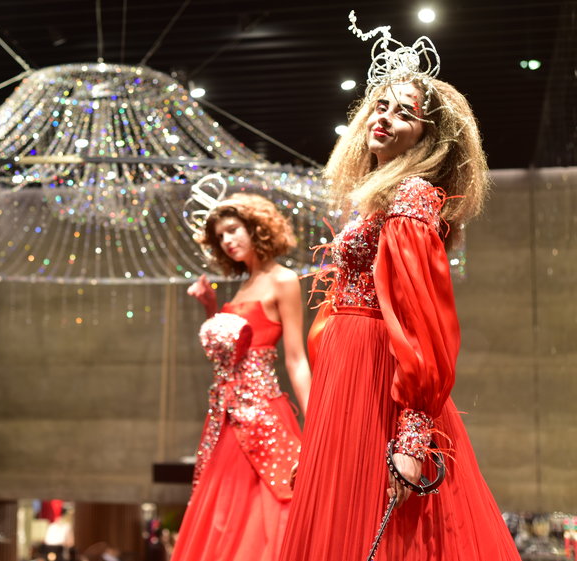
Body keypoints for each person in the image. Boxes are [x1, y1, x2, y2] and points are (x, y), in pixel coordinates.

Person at [277, 14, 521, 561]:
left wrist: (412, 436)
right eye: (381, 106)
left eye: (405, 113)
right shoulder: (376, 197)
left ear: (427, 137)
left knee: (381, 524)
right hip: (345, 367)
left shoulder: (412, 196)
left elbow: (422, 322)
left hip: (375, 371)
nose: (386, 118)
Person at [171, 189, 311, 561]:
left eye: (234, 229)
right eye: (221, 236)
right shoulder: (244, 286)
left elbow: (296, 359)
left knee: (268, 508)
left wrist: (316, 425)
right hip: (226, 417)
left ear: (256, 227)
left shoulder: (283, 280)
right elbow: (228, 356)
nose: (228, 240)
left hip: (263, 414)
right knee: (223, 516)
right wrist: (211, 308)